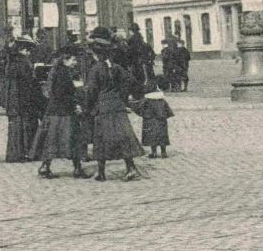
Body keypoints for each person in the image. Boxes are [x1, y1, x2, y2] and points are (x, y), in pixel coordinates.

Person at [82, 37, 144, 181]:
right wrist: (121, 96)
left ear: (95, 54)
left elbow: (91, 91)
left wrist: (87, 107)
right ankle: (131, 168)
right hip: (117, 107)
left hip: (102, 108)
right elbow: (131, 81)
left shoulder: (95, 69)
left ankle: (101, 173)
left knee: (101, 140)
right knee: (122, 138)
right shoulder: (115, 67)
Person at [33, 48, 88, 179]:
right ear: (65, 60)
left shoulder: (55, 71)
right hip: (65, 112)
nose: (76, 62)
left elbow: (51, 91)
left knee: (51, 140)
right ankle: (77, 169)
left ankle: (45, 166)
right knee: (73, 139)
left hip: (53, 111)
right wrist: (76, 104)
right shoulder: (64, 73)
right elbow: (64, 94)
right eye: (74, 60)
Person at [1, 37, 41, 163]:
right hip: (22, 99)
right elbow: (27, 84)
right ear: (23, 50)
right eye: (28, 51)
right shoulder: (23, 63)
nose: (29, 53)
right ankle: (26, 152)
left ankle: (14, 154)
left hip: (12, 100)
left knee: (15, 127)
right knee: (25, 126)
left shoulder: (12, 62)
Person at [135, 84, 173, 158]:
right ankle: (163, 152)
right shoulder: (162, 100)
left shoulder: (146, 100)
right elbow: (168, 111)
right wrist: (164, 116)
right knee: (162, 136)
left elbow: (138, 109)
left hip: (149, 121)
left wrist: (144, 115)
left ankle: (154, 152)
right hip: (161, 121)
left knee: (151, 137)